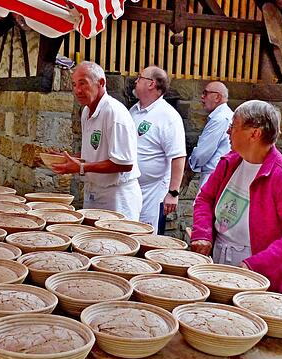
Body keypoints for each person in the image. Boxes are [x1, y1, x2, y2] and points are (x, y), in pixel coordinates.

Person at [158, 100, 282, 359]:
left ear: (254, 133)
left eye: (234, 125)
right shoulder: (231, 162)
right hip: (219, 268)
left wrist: (252, 267)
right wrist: (202, 234)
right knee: (204, 333)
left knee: (251, 350)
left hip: (260, 278)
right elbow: (205, 199)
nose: (228, 130)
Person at [52, 61, 142, 220]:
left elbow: (125, 163)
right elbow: (95, 151)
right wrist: (69, 158)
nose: (77, 90)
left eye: (83, 83)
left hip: (117, 197)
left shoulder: (114, 112)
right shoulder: (86, 111)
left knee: (116, 242)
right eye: (74, 84)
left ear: (101, 83)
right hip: (94, 191)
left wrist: (80, 167)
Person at [129, 66, 186, 233]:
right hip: (132, 188)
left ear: (151, 84)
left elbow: (178, 156)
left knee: (147, 237)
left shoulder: (168, 116)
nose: (136, 80)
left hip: (153, 192)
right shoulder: (134, 110)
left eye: (140, 77)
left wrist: (173, 193)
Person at [184, 81, 233, 190]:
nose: (202, 97)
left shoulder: (219, 119)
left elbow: (202, 153)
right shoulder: (223, 116)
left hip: (213, 177)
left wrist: (189, 167)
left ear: (217, 97)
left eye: (206, 93)